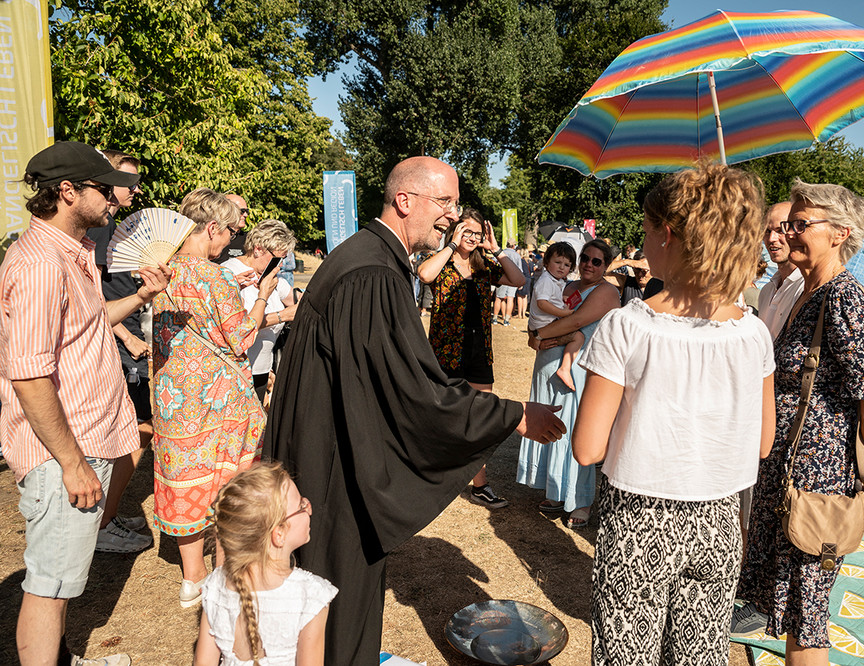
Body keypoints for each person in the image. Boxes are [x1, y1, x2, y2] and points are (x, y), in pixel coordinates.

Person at [261, 156, 565, 664]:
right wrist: (511, 415)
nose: (452, 215)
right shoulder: (371, 273)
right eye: (444, 201)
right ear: (405, 200)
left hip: (324, 448)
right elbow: (411, 390)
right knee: (334, 598)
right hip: (334, 468)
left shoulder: (369, 258)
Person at [573, 162, 775, 665]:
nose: (641, 243)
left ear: (667, 234)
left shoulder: (629, 326)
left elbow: (587, 447)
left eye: (644, 230)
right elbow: (763, 443)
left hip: (639, 520)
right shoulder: (752, 333)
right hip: (721, 521)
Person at [3, 141, 169, 665]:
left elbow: (89, 322)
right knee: (50, 585)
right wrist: (71, 463)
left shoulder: (70, 254)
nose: (119, 197)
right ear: (68, 192)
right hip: (62, 454)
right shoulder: (38, 263)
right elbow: (29, 375)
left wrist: (141, 297)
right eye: (105, 187)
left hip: (83, 441)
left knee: (64, 579)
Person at [736, 180, 864, 666]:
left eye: (801, 223)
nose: (790, 231)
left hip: (818, 486)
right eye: (791, 222)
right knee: (792, 614)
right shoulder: (810, 293)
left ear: (840, 233)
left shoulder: (846, 300)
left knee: (807, 621)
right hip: (792, 477)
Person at [151, 187, 277, 607]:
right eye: (231, 234)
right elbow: (241, 337)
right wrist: (260, 295)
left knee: (185, 481)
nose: (232, 242)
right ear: (212, 228)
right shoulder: (213, 276)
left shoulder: (160, 270)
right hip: (218, 398)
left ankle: (192, 578)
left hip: (172, 396)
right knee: (228, 486)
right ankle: (225, 574)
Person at [417, 208, 526, 508]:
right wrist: (451, 244)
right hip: (445, 351)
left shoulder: (484, 265)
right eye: (467, 231)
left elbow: (517, 280)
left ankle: (480, 485)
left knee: (481, 417)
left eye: (477, 233)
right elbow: (424, 274)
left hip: (478, 350)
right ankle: (433, 479)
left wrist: (496, 249)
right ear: (456, 231)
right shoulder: (442, 264)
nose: (472, 237)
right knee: (441, 416)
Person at [82, 149, 156, 554]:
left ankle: (105, 514)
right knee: (136, 431)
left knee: (134, 431)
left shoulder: (112, 228)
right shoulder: (96, 232)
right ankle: (102, 521)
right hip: (120, 346)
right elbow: (92, 298)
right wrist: (127, 339)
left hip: (128, 340)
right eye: (126, 181)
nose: (135, 189)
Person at [517, 239, 620, 528]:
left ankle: (581, 501)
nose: (588, 264)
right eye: (585, 258)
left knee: (576, 430)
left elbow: (576, 322)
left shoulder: (606, 291)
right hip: (547, 366)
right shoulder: (568, 286)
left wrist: (539, 335)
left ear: (606, 266)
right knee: (549, 426)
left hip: (578, 370)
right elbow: (539, 312)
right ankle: (555, 491)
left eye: (596, 261)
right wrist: (535, 335)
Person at [194, 463, 337, 666]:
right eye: (301, 506)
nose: (309, 506)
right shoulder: (311, 596)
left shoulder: (217, 584)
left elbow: (203, 663)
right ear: (278, 533)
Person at [221, 219, 298, 403]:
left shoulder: (270, 275)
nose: (280, 266)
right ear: (258, 249)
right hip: (237, 371)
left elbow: (295, 298)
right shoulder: (229, 271)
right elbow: (242, 325)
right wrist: (283, 316)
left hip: (261, 368)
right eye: (278, 259)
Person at [527, 242, 585, 391]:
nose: (561, 267)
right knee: (578, 337)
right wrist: (564, 313)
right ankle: (565, 368)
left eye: (566, 265)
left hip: (543, 326)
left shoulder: (555, 281)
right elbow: (542, 304)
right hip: (545, 327)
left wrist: (561, 302)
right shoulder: (546, 280)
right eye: (557, 262)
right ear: (546, 263)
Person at [758, 201, 805, 339]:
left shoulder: (805, 289)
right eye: (767, 231)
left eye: (780, 230)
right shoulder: (767, 291)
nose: (771, 239)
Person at [214, 193, 250, 263]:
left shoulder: (249, 239)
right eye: (241, 211)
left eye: (247, 211)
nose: (246, 215)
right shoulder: (212, 235)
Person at [491, 241, 521, 326]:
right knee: (510, 298)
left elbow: (493, 262)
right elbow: (520, 269)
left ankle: (495, 318)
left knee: (499, 298)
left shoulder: (501, 253)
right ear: (514, 245)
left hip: (502, 277)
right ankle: (506, 320)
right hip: (513, 279)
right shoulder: (517, 255)